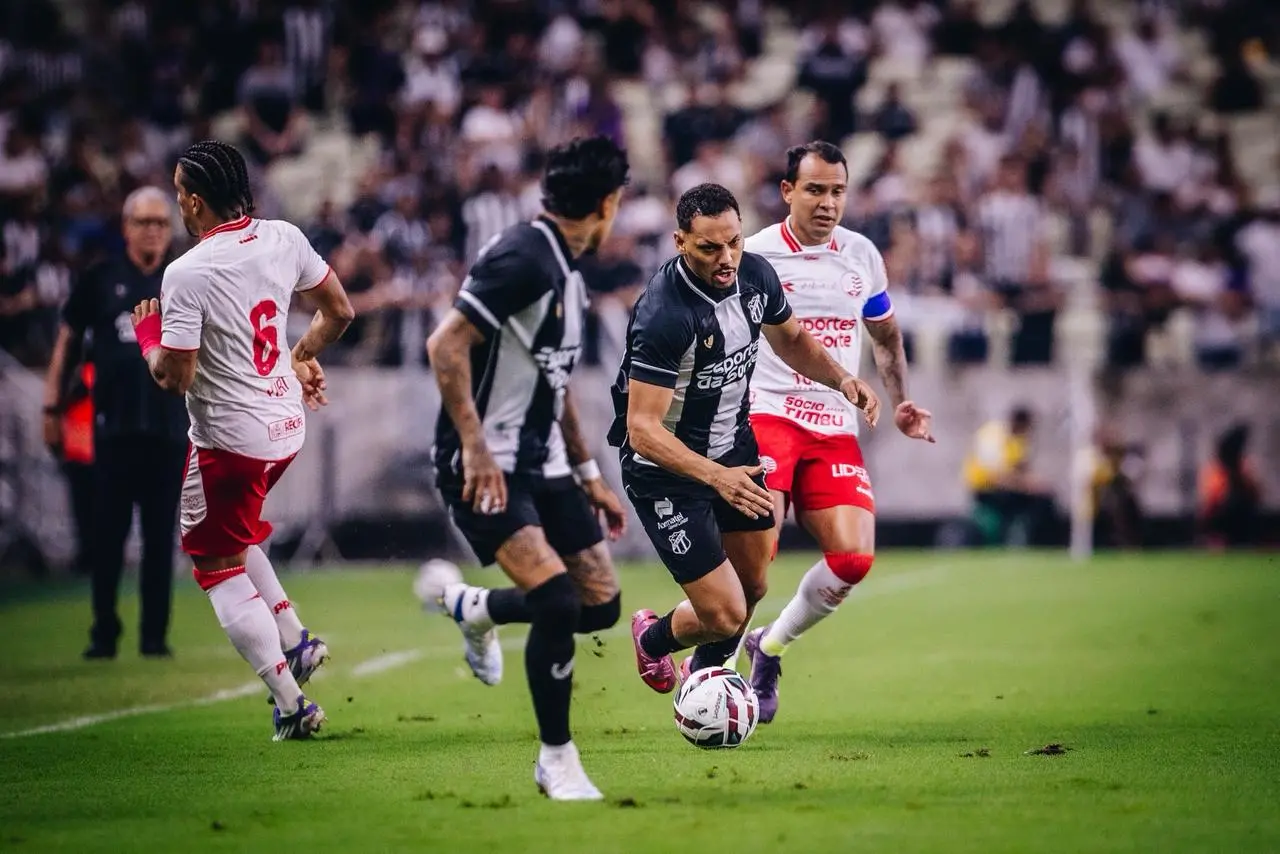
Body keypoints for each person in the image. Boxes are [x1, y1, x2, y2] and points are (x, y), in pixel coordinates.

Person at [418, 137, 631, 801]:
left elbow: (555, 379)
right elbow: (444, 343)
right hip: (484, 465)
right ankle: (556, 759)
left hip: (545, 464)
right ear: (608, 203)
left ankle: (471, 607)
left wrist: (589, 471)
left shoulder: (565, 267)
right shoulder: (525, 257)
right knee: (558, 600)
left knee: (599, 604)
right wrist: (475, 447)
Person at [614, 183, 879, 698]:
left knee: (754, 585)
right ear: (680, 242)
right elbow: (641, 431)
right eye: (710, 248)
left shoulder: (754, 272)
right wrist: (717, 478)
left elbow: (794, 340)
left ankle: (704, 683)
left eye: (733, 241)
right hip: (667, 473)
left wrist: (842, 381)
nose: (727, 257)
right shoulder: (664, 314)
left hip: (735, 451)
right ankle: (652, 638)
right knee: (727, 611)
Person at [130, 140, 354, 740]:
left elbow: (174, 376)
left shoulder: (187, 272)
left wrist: (149, 337)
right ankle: (295, 640)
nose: (179, 205)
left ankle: (291, 703)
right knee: (237, 531)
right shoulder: (283, 236)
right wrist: (299, 355)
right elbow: (339, 311)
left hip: (229, 442)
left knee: (213, 564)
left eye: (179, 196)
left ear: (196, 202)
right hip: (286, 429)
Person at [739, 141, 936, 723]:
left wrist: (901, 401)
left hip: (832, 426)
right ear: (788, 192)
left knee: (852, 560)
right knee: (756, 562)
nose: (828, 204)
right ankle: (707, 667)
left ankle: (769, 647)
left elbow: (885, 334)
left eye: (838, 191)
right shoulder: (753, 256)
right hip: (766, 413)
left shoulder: (862, 255)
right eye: (816, 190)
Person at [43, 187, 192, 658]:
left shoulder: (183, 277)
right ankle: (103, 631)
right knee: (106, 536)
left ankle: (154, 636)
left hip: (169, 428)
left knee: (159, 539)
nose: (152, 231)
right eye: (144, 222)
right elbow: (68, 341)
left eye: (161, 223)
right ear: (126, 227)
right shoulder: (102, 279)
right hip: (112, 428)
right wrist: (52, 407)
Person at [963, 406, 1056, 545]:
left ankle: (1029, 538)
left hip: (1008, 488)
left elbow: (1022, 470)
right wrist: (1027, 485)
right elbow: (994, 475)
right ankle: (1012, 537)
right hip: (985, 489)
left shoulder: (1020, 441)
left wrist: (1037, 484)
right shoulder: (992, 436)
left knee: (1045, 499)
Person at [1198, 423, 1262, 548]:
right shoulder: (1215, 470)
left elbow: (1256, 493)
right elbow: (1212, 500)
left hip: (1242, 516)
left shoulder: (1243, 467)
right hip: (1219, 517)